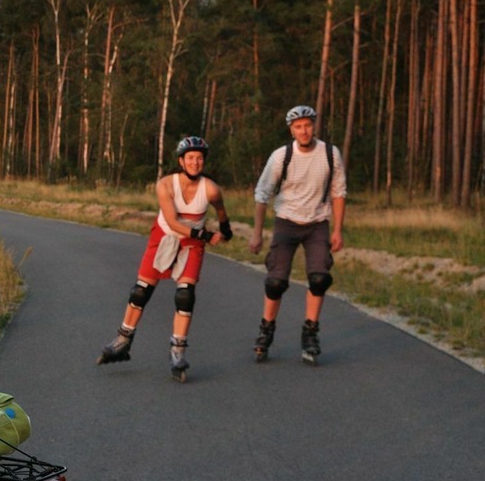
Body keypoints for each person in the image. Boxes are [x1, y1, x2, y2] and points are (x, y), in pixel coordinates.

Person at [96, 136, 233, 382]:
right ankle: (123, 339)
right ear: (181, 161)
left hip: (191, 244)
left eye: (199, 158)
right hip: (164, 236)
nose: (195, 162)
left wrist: (226, 231)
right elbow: (172, 221)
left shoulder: (210, 188)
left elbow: (221, 211)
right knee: (140, 291)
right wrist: (204, 235)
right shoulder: (166, 185)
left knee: (185, 295)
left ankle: (178, 351)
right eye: (190, 158)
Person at [248, 104, 346, 365]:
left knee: (319, 278)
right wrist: (257, 234)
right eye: (298, 127)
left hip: (317, 223)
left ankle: (310, 333)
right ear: (291, 130)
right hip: (286, 222)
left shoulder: (330, 153)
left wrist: (337, 230)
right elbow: (262, 194)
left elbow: (339, 192)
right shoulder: (281, 156)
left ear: (314, 126)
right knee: (275, 282)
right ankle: (266, 331)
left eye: (308, 125)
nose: (304, 131)